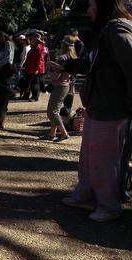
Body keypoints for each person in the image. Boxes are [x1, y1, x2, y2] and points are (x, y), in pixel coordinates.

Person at [62, 0, 132, 222]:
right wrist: (67, 66)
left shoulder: (117, 29)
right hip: (96, 104)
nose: (88, 8)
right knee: (89, 156)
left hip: (112, 107)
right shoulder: (103, 31)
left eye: (92, 3)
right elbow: (92, 64)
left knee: (105, 159)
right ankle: (85, 195)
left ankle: (109, 205)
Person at [41, 36, 76, 142]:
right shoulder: (72, 57)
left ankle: (64, 133)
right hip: (66, 86)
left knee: (52, 112)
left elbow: (55, 76)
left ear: (63, 45)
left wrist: (49, 67)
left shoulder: (62, 58)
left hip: (59, 86)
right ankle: (51, 134)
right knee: (55, 110)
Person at [23, 32, 46, 102]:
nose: (31, 40)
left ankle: (35, 97)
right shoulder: (34, 46)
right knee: (31, 82)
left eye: (32, 39)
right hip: (31, 67)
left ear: (35, 39)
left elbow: (40, 59)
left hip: (36, 68)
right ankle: (27, 95)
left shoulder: (39, 47)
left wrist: (37, 69)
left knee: (35, 83)